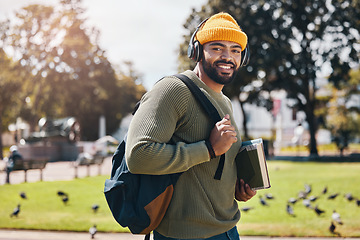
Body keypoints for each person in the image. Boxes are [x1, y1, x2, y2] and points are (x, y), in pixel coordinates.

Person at [125, 12, 256, 240]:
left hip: (228, 231)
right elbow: (138, 155)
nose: (228, 57)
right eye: (217, 48)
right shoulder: (173, 90)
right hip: (184, 235)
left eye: (235, 50)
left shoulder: (225, 102)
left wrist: (236, 189)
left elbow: (208, 173)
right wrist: (208, 149)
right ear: (197, 51)